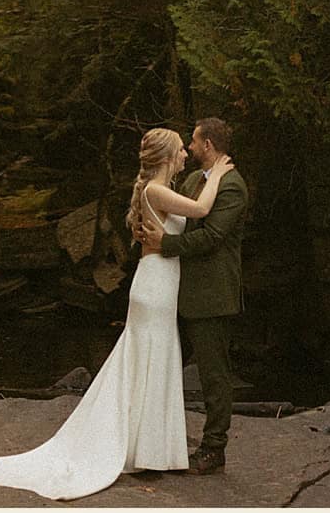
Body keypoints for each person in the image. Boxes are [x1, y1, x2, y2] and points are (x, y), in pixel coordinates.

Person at [0, 127, 234, 501]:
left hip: (161, 283)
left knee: (152, 358)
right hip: (156, 285)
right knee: (152, 357)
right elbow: (202, 209)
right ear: (167, 157)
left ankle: (149, 447)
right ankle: (142, 446)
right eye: (180, 151)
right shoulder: (156, 191)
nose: (186, 155)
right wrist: (217, 174)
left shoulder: (158, 190)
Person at [138, 116, 247, 476]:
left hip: (212, 295)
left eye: (194, 142)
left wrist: (164, 244)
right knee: (162, 366)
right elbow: (173, 209)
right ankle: (156, 440)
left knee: (214, 375)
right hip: (173, 291)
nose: (189, 148)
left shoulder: (232, 187)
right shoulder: (189, 180)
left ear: (209, 145)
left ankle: (214, 448)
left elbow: (212, 236)